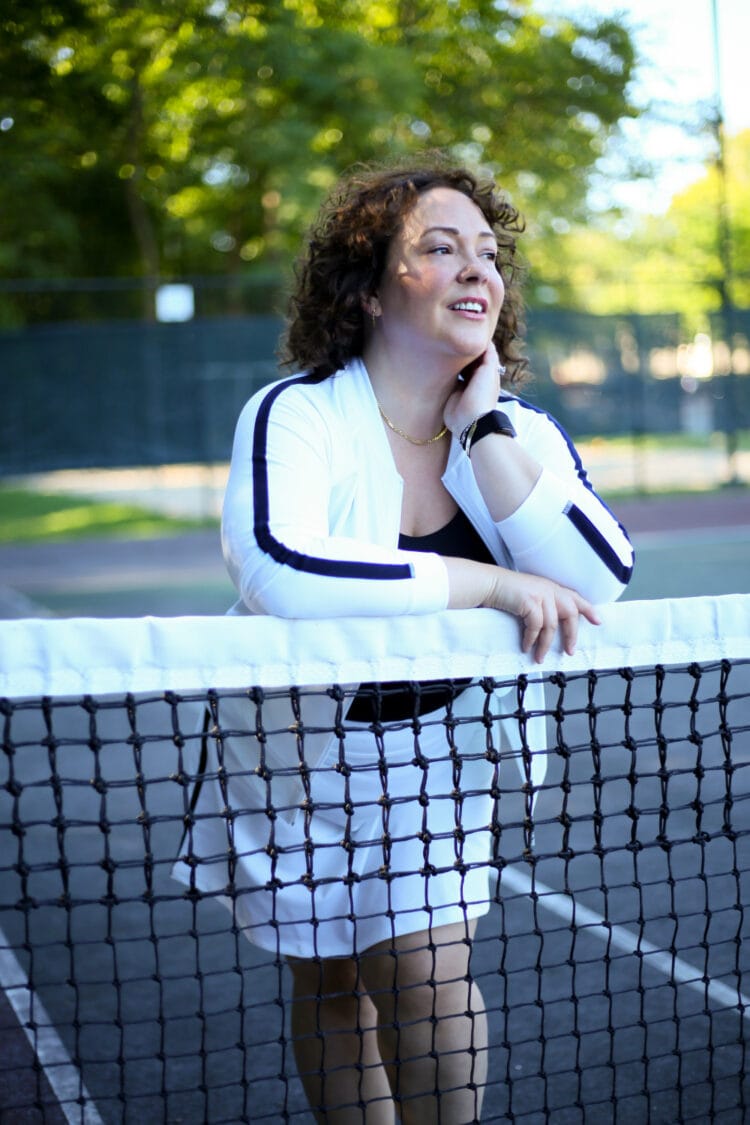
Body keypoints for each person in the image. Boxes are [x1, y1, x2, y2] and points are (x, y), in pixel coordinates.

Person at [176, 156, 633, 1123]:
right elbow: (279, 572)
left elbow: (598, 578)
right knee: (332, 982)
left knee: (427, 974)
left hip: (445, 755)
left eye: (487, 252)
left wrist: (485, 428)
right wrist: (492, 584)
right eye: (439, 248)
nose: (477, 270)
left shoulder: (521, 429)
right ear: (374, 287)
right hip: (296, 753)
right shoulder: (293, 413)